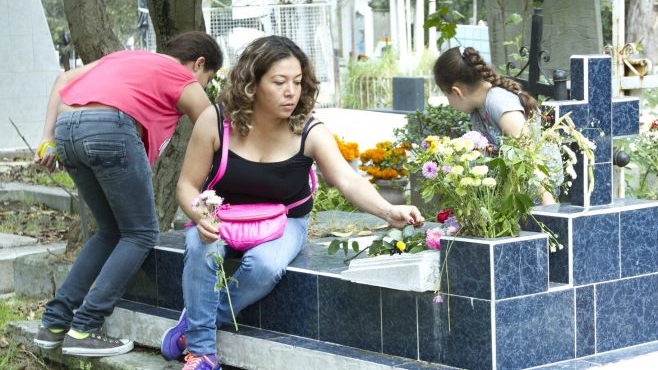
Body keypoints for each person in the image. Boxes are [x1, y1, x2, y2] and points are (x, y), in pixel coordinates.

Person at [161, 35, 424, 370]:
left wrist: (389, 210)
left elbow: (347, 179)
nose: (291, 92)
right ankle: (201, 352)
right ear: (251, 84)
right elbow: (187, 185)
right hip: (222, 217)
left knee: (265, 265)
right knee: (202, 248)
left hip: (287, 222)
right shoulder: (216, 121)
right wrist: (200, 217)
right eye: (279, 82)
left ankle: (196, 324)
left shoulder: (309, 130)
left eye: (297, 82)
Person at [32, 31, 223, 357]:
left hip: (68, 129)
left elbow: (63, 79)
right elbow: (211, 124)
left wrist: (47, 138)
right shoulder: (180, 73)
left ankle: (53, 323)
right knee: (141, 233)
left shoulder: (126, 59)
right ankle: (85, 327)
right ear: (199, 64)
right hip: (109, 128)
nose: (202, 87)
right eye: (207, 79)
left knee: (109, 231)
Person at [433, 46, 558, 205]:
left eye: (446, 95)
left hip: (539, 192)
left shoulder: (498, 102)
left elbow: (529, 152)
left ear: (457, 92)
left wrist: (548, 203)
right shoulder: (478, 107)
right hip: (519, 192)